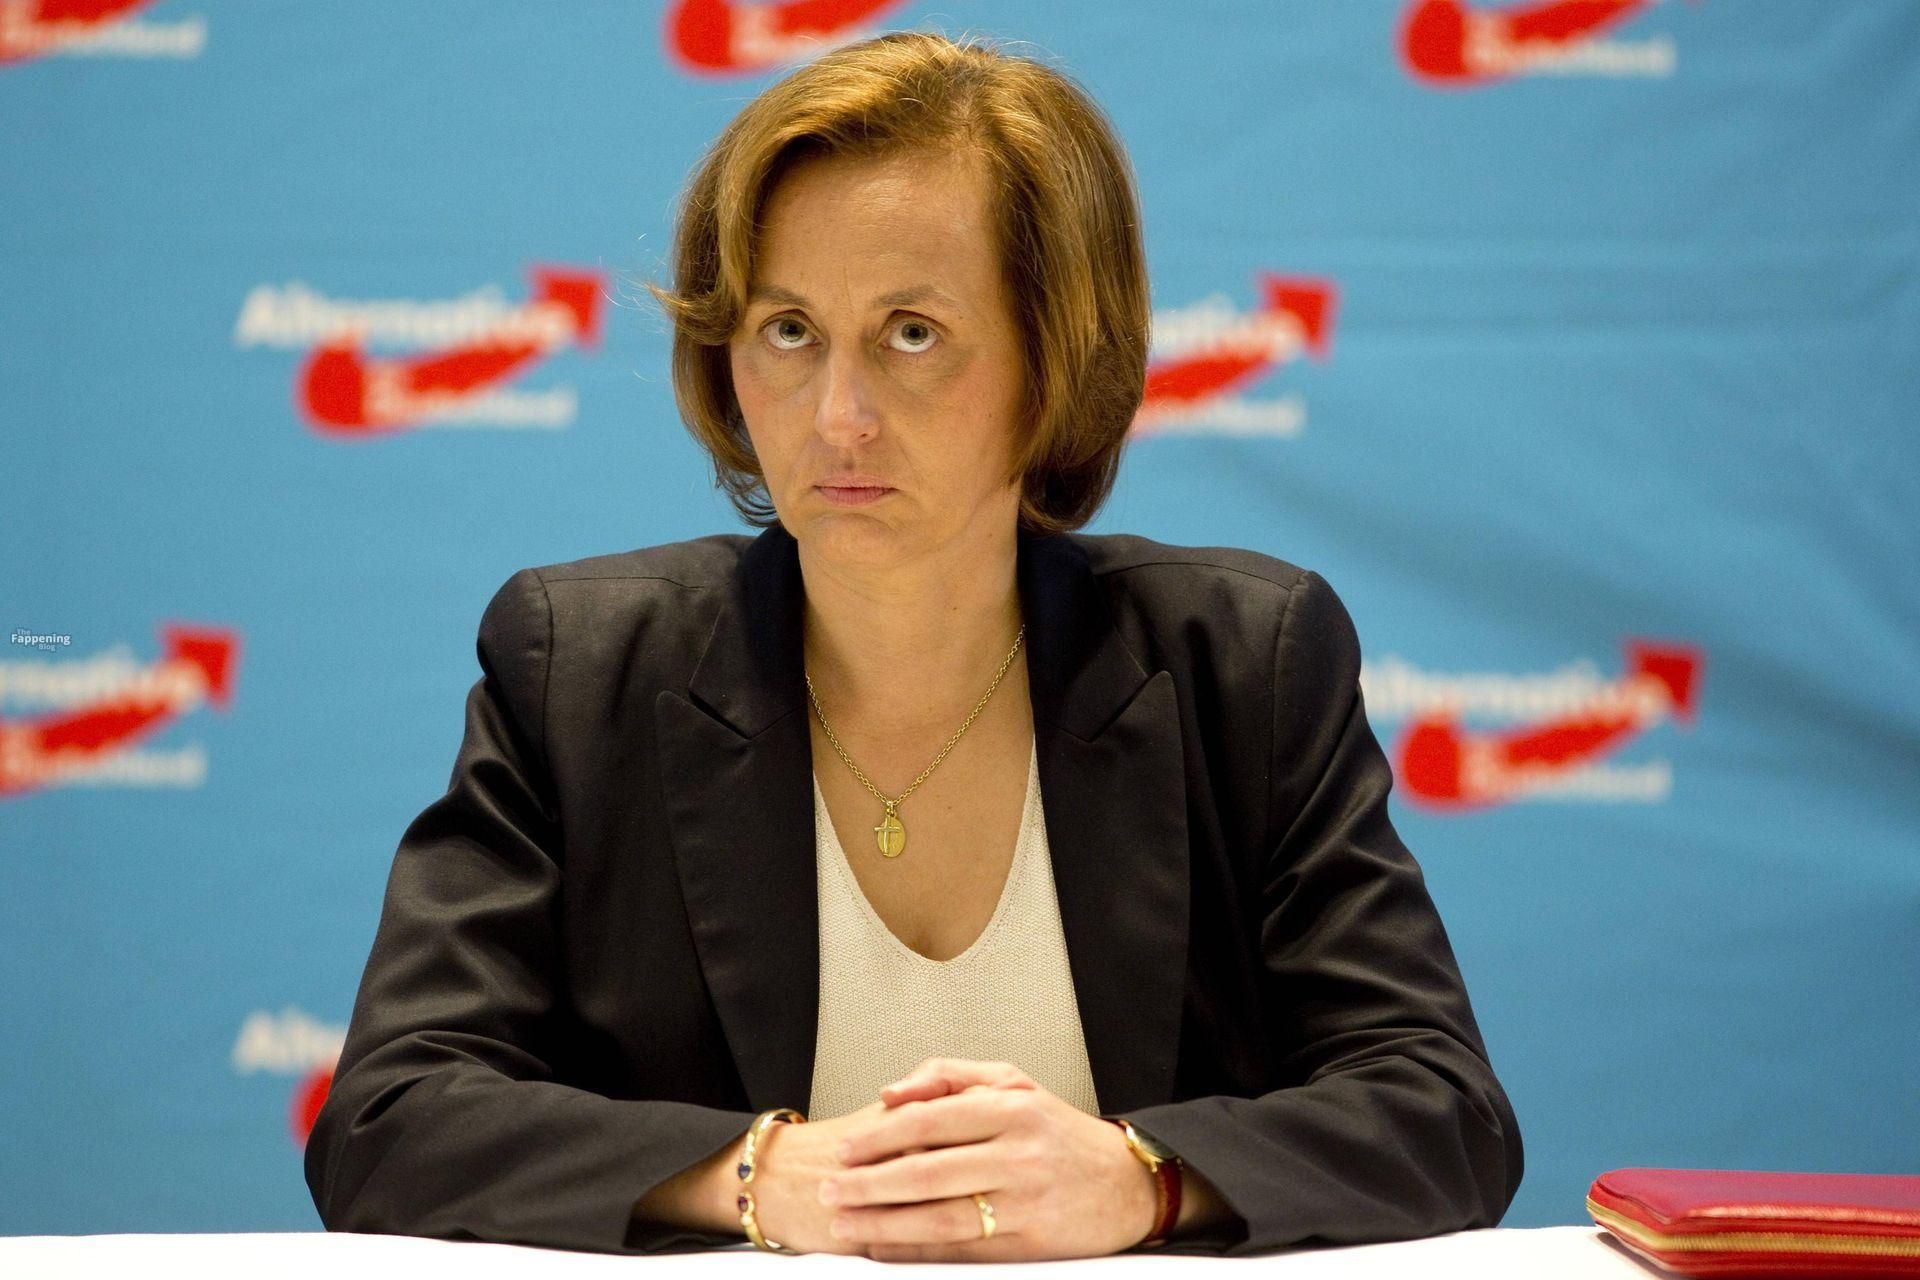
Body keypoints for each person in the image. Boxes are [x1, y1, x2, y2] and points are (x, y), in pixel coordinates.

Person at [304, 29, 1523, 1262]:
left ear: (1058, 359)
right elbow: (389, 1118)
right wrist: (756, 1175)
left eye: (912, 333)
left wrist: (1141, 1178)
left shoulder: (1243, 663)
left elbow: (1442, 1111)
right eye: (789, 330)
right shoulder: (578, 669)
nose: (839, 418)